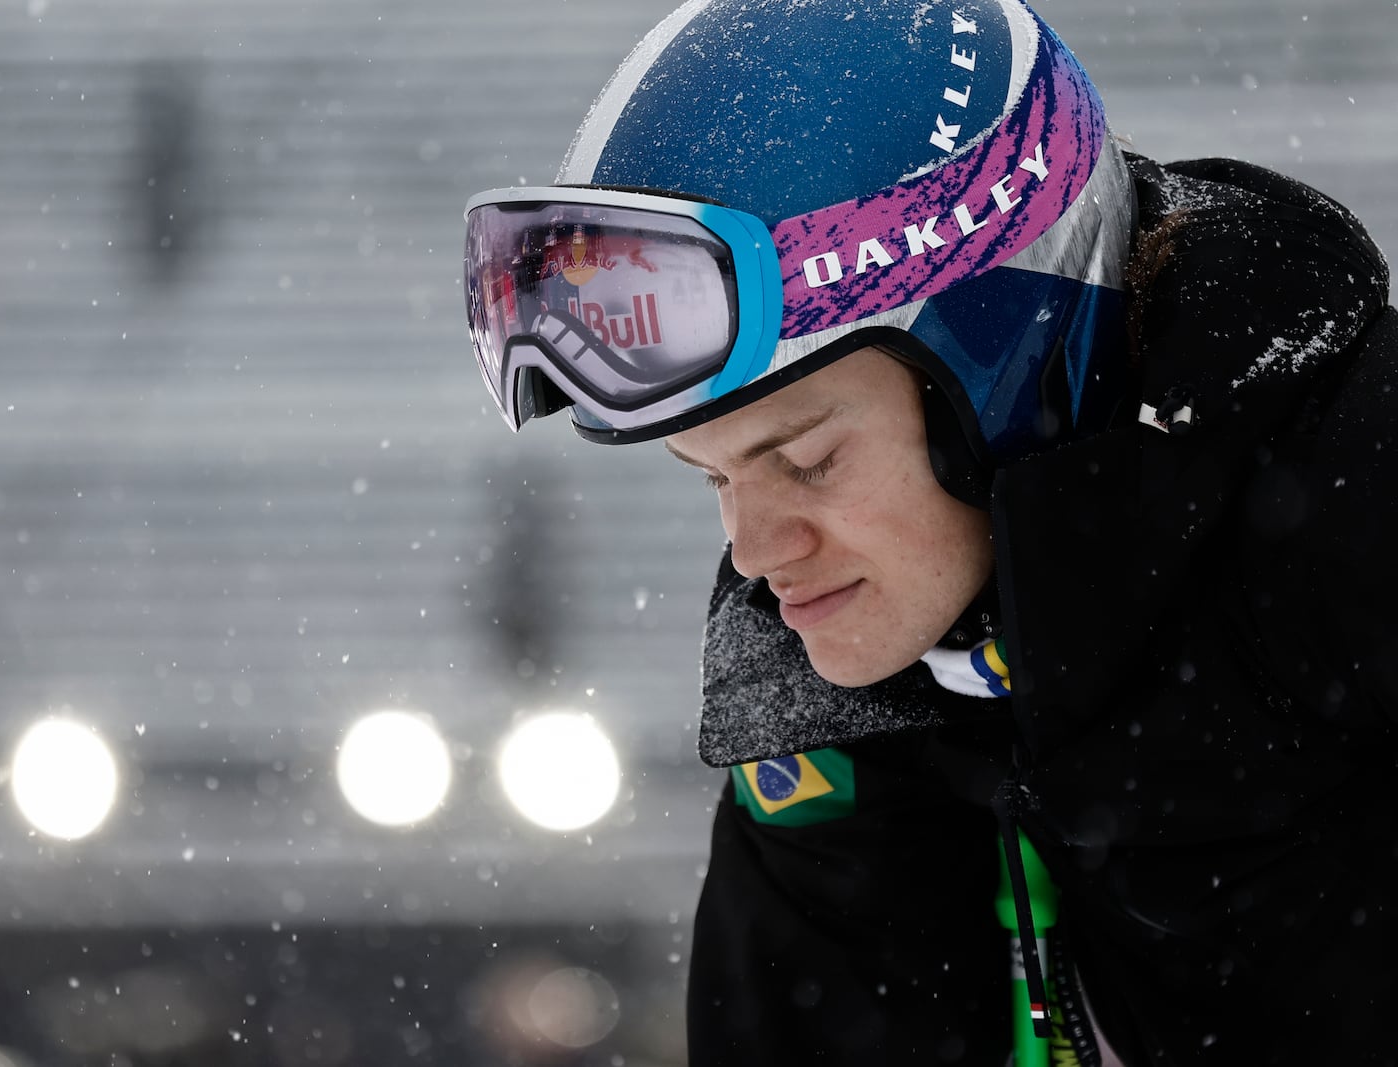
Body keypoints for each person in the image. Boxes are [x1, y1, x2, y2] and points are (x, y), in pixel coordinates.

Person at [460, 0, 1397, 1062]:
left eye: (807, 459)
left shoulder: (1356, 508)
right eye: (710, 477)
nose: (758, 552)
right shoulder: (846, 703)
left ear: (1012, 369)